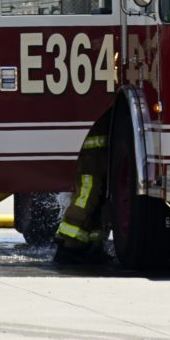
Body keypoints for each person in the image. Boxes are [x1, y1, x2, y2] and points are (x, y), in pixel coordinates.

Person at [53, 111, 112, 264]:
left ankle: (92, 246)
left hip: (98, 159)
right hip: (88, 160)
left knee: (98, 201)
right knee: (86, 197)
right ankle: (66, 243)